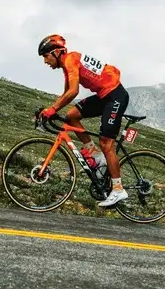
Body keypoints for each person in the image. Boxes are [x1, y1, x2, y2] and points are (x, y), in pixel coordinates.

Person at [37, 34, 130, 208]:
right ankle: (96, 156)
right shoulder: (68, 65)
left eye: (46, 56)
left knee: (107, 143)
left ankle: (118, 189)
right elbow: (66, 94)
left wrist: (52, 110)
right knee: (71, 116)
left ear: (57, 52)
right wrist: (50, 110)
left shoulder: (71, 60)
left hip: (115, 96)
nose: (45, 61)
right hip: (105, 96)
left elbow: (73, 92)